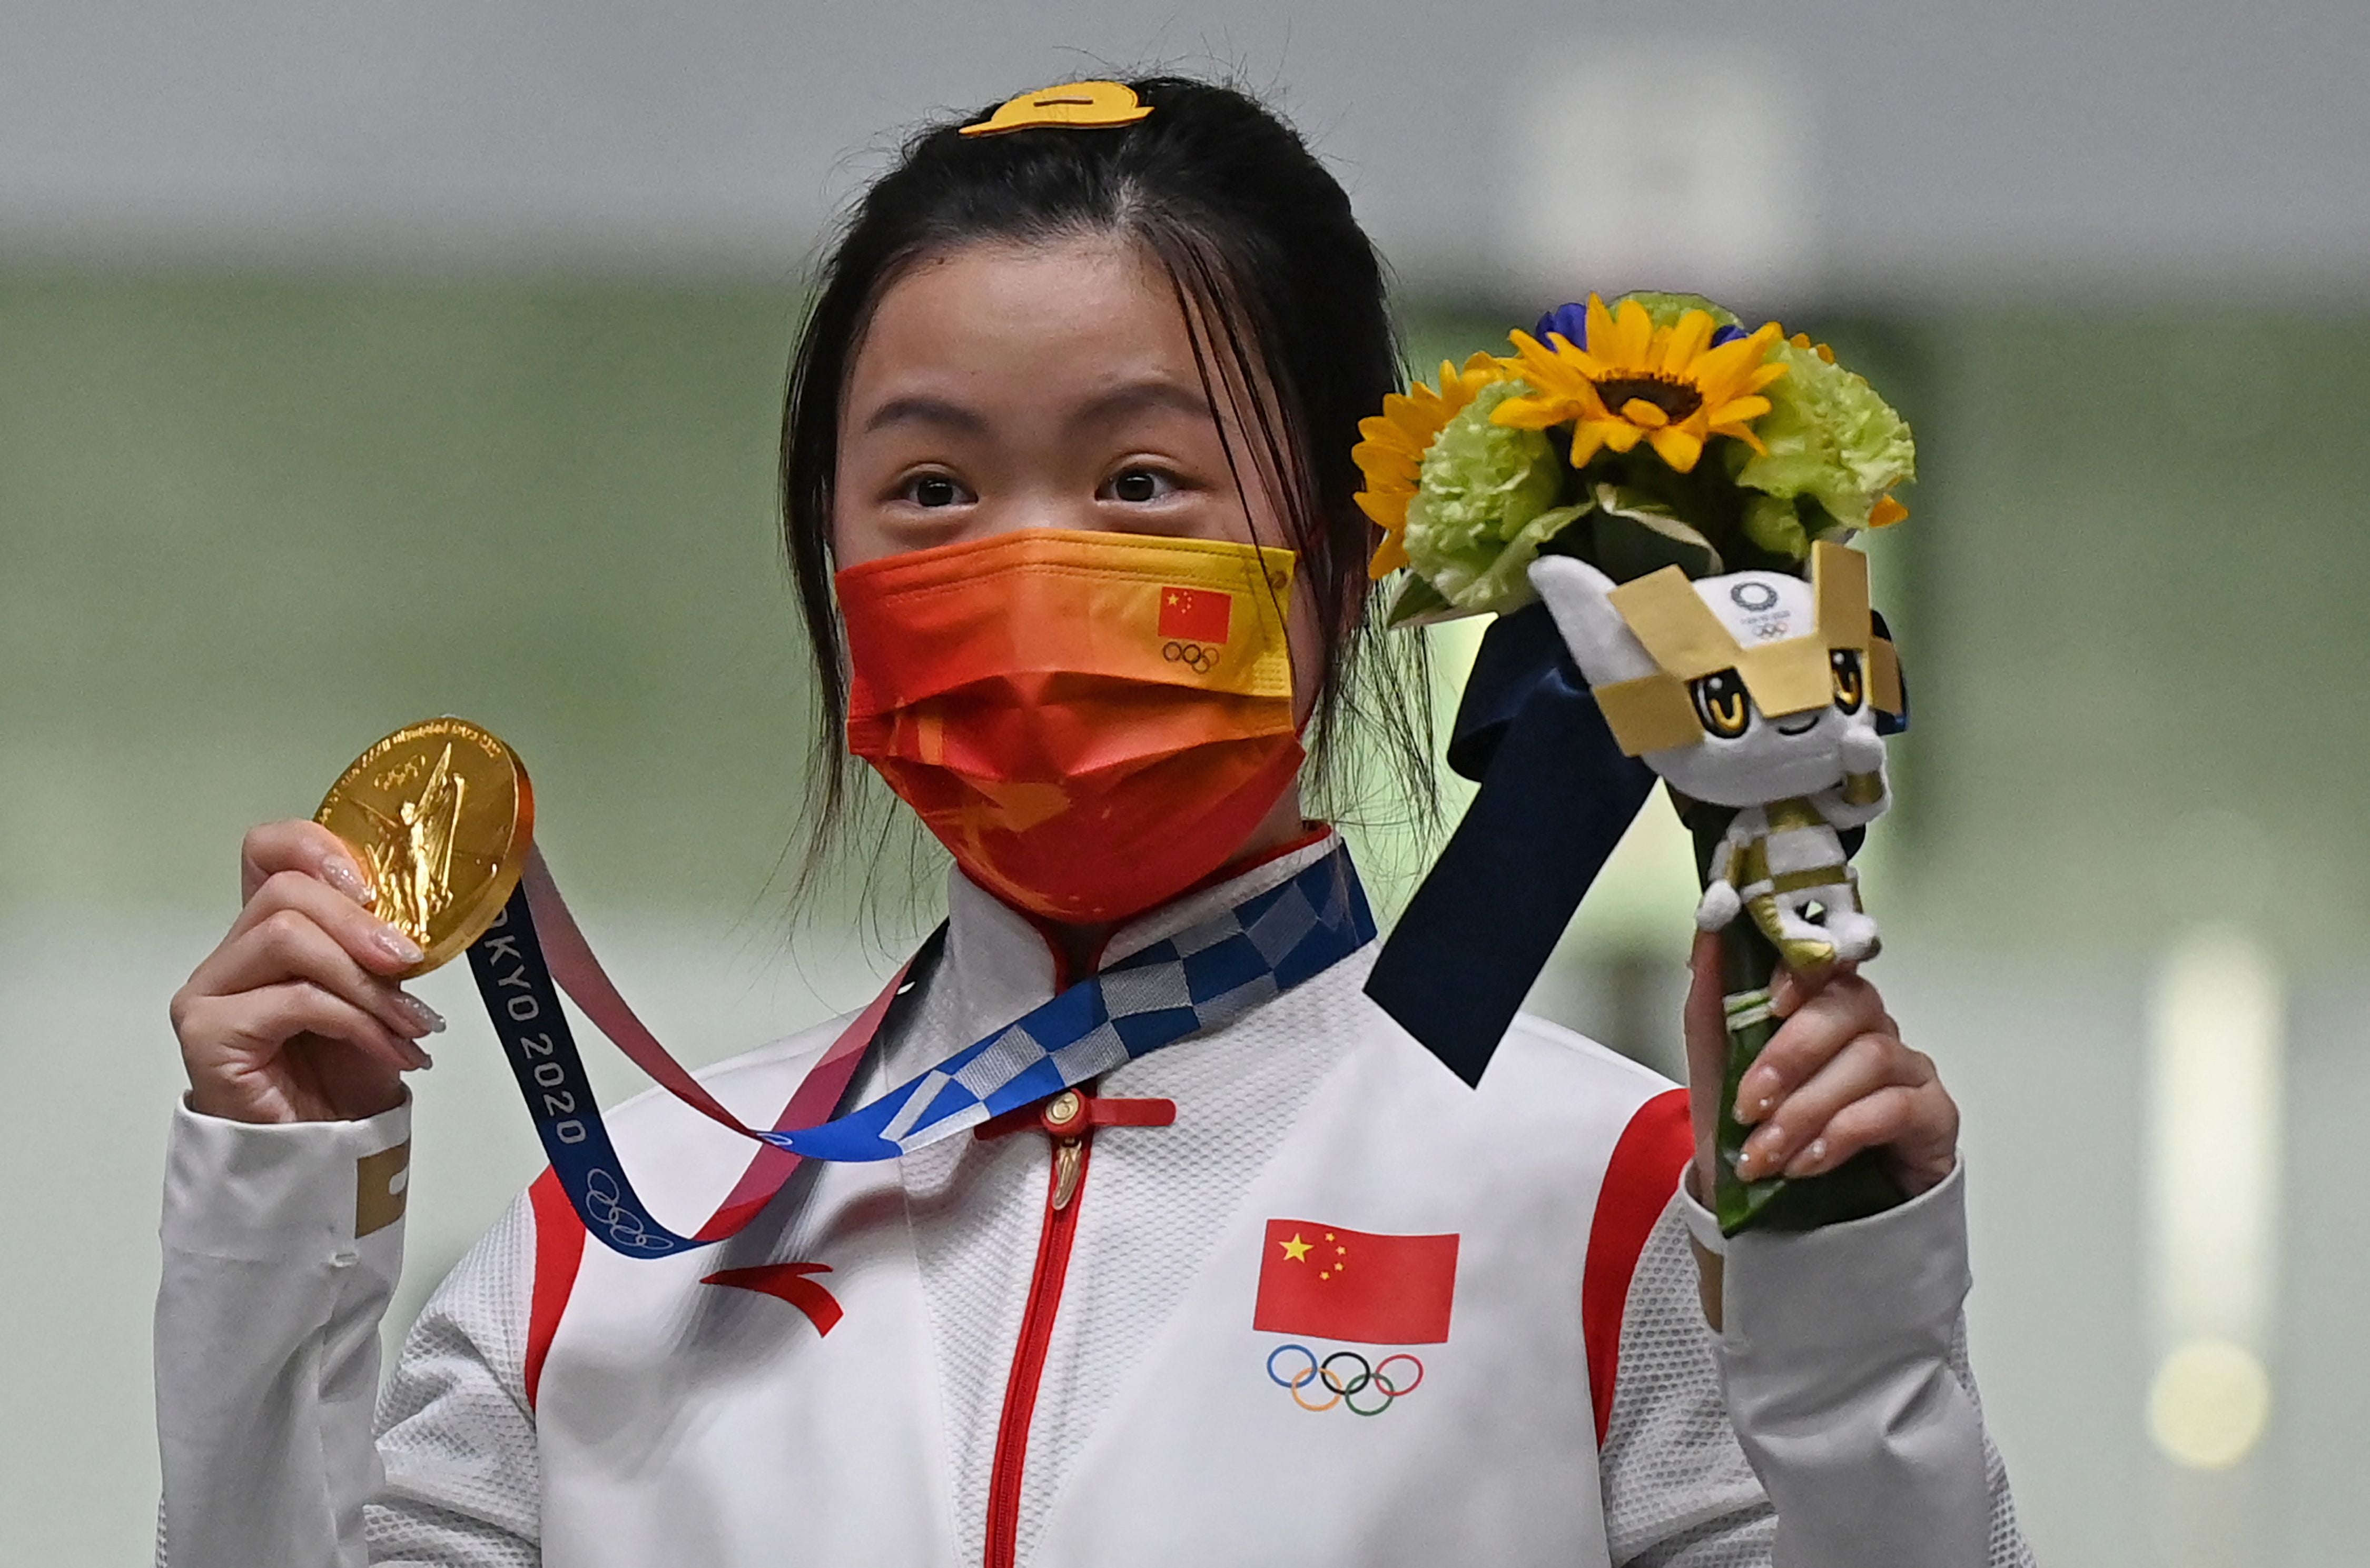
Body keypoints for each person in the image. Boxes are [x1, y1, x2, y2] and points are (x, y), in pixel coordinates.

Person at [156, 75, 2033, 1568]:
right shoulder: (613, 1235)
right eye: (928, 487)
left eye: (1139, 479)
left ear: (1350, 557)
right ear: (827, 568)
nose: (1023, 565)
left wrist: (1842, 1305)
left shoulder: (1605, 1198)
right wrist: (281, 1210)